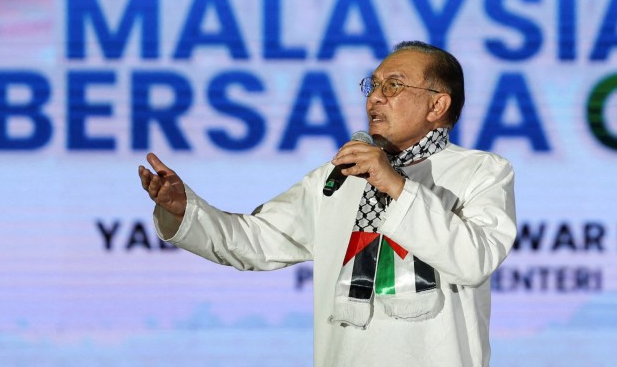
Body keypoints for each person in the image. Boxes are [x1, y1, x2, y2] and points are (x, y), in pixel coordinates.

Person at [139, 40, 517, 367]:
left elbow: (474, 261)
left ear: (437, 105)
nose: (375, 97)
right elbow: (254, 240)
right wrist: (185, 209)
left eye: (394, 85)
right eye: (373, 85)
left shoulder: (481, 171)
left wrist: (395, 184)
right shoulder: (337, 176)